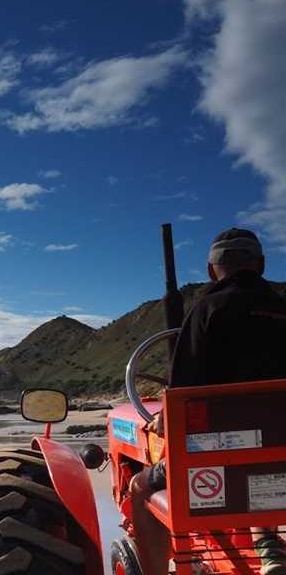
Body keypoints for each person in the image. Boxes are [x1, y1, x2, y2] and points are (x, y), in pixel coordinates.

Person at [130, 228, 286, 575]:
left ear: (211, 269)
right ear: (261, 264)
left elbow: (182, 395)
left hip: (220, 466)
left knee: (139, 487)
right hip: (280, 459)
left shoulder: (205, 310)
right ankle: (266, 544)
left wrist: (162, 420)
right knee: (263, 461)